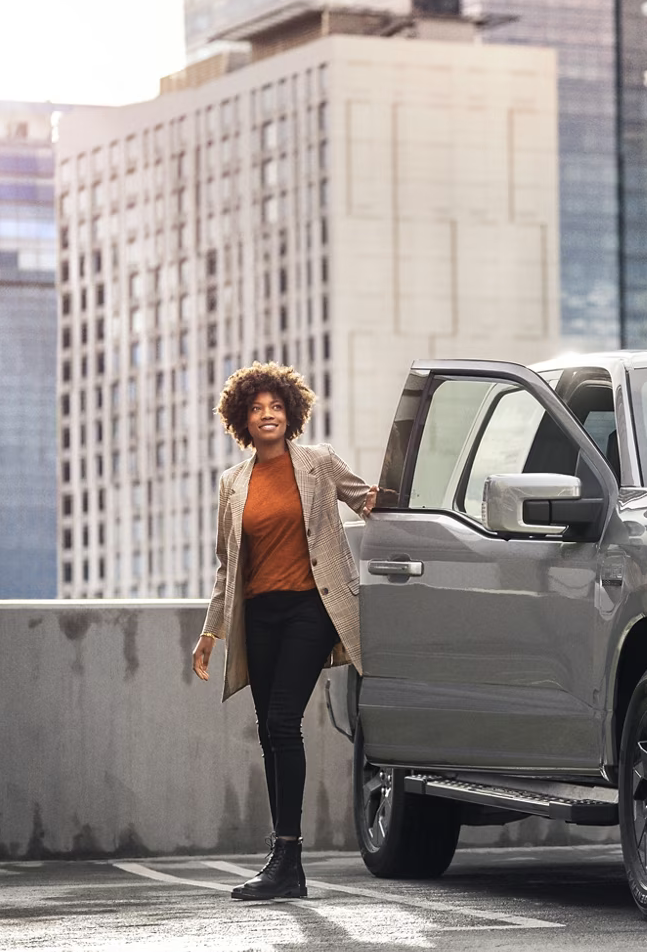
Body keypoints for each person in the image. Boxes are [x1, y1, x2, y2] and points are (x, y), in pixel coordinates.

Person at [190, 362, 375, 901]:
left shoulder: (318, 463)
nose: (267, 414)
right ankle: (285, 864)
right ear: (241, 419)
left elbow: (365, 498)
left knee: (281, 720)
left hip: (311, 609)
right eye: (256, 408)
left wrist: (399, 504)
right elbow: (227, 565)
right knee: (270, 734)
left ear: (290, 413)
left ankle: (287, 856)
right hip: (260, 615)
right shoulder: (233, 483)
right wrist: (210, 633)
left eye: (275, 406)